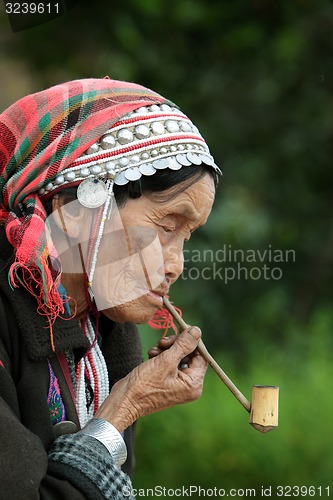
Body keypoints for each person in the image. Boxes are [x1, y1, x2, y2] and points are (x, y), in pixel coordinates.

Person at [0, 78, 221, 499]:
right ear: (80, 208)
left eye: (186, 236)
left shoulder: (104, 328)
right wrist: (123, 409)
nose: (175, 265)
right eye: (167, 225)